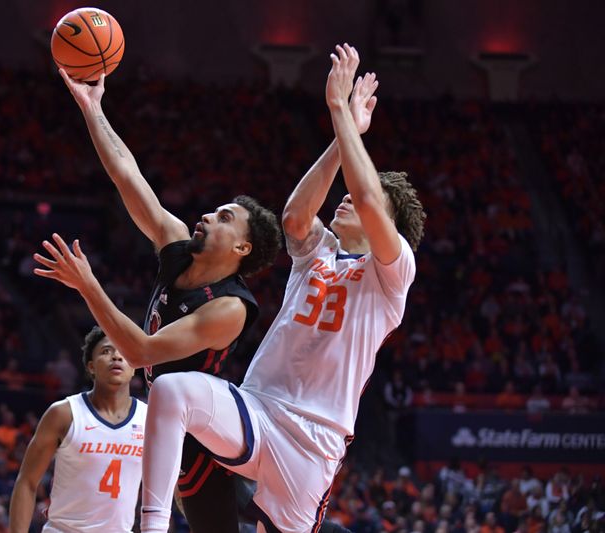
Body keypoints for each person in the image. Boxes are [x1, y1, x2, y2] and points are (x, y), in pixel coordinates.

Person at [135, 43, 426, 533]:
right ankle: (152, 526)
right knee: (171, 389)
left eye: (355, 197)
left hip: (313, 442)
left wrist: (339, 112)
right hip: (258, 409)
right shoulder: (321, 251)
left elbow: (374, 203)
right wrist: (342, 135)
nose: (347, 199)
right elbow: (294, 218)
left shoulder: (394, 271)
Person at [33, 68, 282, 531]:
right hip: (171, 425)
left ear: (241, 248)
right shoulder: (177, 245)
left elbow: (142, 352)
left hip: (207, 441)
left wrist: (88, 284)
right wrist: (93, 108)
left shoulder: (229, 307)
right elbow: (127, 173)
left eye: (224, 216)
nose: (208, 214)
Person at [9, 326, 146, 532]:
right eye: (106, 351)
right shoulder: (63, 413)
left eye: (123, 352)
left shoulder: (150, 419)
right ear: (91, 367)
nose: (116, 357)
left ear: (134, 366)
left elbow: (174, 484)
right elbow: (27, 481)